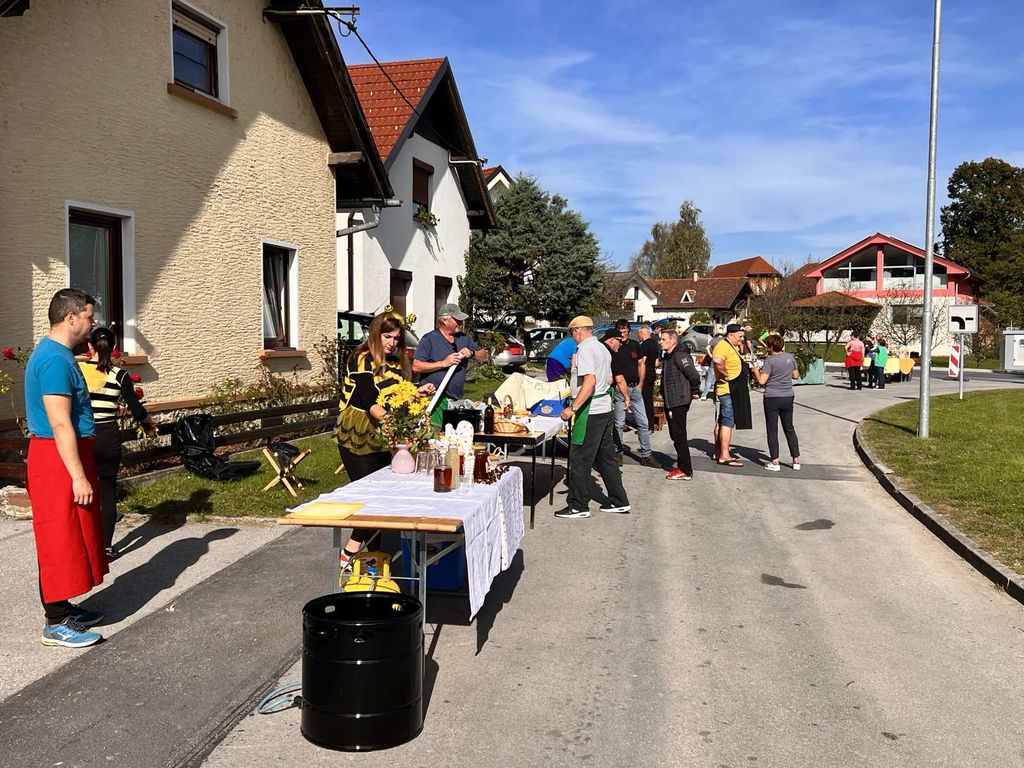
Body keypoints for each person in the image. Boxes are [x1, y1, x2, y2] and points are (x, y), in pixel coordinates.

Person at [25, 288, 107, 648]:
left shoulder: (59, 354)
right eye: (89, 317)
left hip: (65, 455)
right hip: (56, 459)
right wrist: (78, 476)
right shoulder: (54, 360)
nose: (93, 324)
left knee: (72, 535)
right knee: (57, 537)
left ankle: (63, 606)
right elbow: (59, 423)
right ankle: (55, 622)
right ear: (70, 317)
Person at [334, 312, 435, 568]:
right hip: (358, 431)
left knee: (385, 495)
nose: (392, 343)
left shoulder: (395, 361)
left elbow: (393, 394)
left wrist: (416, 393)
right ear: (375, 334)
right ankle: (350, 551)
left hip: (383, 431)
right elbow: (370, 401)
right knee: (372, 497)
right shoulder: (361, 358)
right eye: (387, 336)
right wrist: (395, 424)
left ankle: (373, 561)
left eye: (396, 338)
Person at [78, 326, 155, 560]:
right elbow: (137, 410)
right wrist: (149, 424)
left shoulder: (78, 370)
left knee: (82, 488)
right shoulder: (119, 375)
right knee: (107, 490)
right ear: (113, 347)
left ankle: (83, 544)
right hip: (108, 437)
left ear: (89, 346)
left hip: (83, 436)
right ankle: (106, 547)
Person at [555, 316, 629, 519]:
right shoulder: (602, 348)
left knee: (580, 458)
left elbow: (590, 381)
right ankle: (619, 501)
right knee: (606, 458)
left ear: (577, 330)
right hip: (605, 408)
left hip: (590, 410)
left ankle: (578, 505)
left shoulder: (585, 350)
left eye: (572, 333)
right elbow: (609, 378)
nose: (573, 337)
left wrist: (573, 408)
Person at [413, 303, 488, 427]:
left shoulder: (463, 338)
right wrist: (444, 363)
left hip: (455, 400)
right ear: (444, 320)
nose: (461, 322)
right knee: (435, 431)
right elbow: (416, 366)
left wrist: (472, 353)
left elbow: (485, 356)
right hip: (434, 397)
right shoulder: (429, 339)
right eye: (457, 320)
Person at [610, 319, 657, 467]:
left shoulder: (635, 345)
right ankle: (618, 452)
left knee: (643, 422)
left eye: (625, 330)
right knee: (619, 423)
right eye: (620, 330)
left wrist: (641, 384)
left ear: (629, 331)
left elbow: (641, 364)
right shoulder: (614, 346)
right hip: (620, 390)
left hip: (635, 388)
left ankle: (646, 455)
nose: (622, 333)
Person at [752, 335, 802, 471]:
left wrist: (756, 371)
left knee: (772, 430)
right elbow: (795, 375)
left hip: (772, 396)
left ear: (770, 347)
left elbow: (762, 381)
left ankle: (775, 462)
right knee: (789, 428)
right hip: (788, 395)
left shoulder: (770, 360)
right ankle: (796, 460)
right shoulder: (790, 357)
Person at [658, 328, 701, 480]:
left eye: (663, 339)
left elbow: (694, 375)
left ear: (672, 341)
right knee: (675, 435)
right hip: (671, 401)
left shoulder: (680, 355)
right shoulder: (668, 356)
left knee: (679, 435)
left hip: (678, 401)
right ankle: (683, 466)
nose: (660, 342)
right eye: (660, 339)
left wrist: (694, 391)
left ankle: (685, 469)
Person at [711, 324, 751, 467]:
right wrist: (724, 374)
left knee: (722, 421)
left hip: (731, 389)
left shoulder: (730, 346)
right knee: (728, 422)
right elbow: (717, 360)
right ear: (732, 334)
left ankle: (718, 452)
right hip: (728, 390)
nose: (741, 340)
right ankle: (724, 455)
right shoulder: (723, 345)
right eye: (740, 336)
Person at [636, 324, 660, 435]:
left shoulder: (644, 345)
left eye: (638, 334)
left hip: (645, 375)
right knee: (649, 400)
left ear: (642, 333)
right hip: (652, 373)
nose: (638, 336)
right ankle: (651, 424)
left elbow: (642, 361)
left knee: (644, 401)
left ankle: (647, 426)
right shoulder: (655, 344)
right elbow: (656, 362)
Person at [699, 330, 721, 400]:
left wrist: (711, 356)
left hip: (713, 362)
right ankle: (718, 396)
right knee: (719, 381)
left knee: (709, 380)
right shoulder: (724, 340)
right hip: (722, 363)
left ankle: (704, 395)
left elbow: (707, 348)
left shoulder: (714, 340)